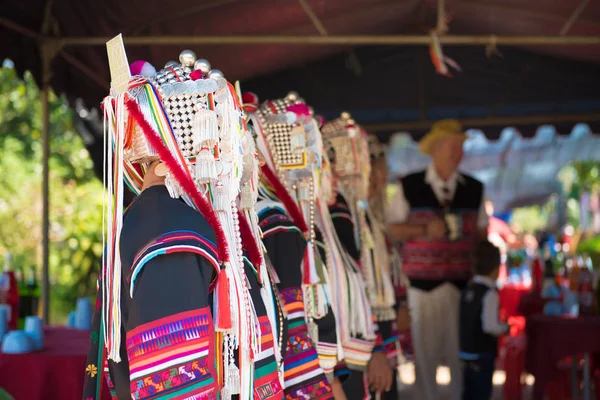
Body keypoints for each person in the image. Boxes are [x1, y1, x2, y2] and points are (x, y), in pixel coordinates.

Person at [82, 41, 280, 400]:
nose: (228, 163)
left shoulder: (156, 220)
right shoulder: (173, 232)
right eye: (217, 145)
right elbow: (175, 387)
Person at [387, 119, 488, 400]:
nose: (458, 152)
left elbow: (483, 237)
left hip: (461, 286)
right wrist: (423, 230)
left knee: (460, 354)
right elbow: (390, 228)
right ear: (436, 149)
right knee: (424, 353)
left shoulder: (475, 188)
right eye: (452, 146)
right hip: (421, 286)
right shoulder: (409, 185)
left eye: (460, 147)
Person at [243, 92, 334, 399]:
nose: (309, 168)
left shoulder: (269, 214)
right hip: (286, 373)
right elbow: (293, 320)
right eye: (295, 150)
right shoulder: (272, 217)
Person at [322, 114, 395, 399]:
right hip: (352, 341)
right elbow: (355, 284)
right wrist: (376, 346)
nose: (368, 174)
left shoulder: (353, 209)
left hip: (358, 336)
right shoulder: (338, 209)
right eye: (360, 162)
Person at [460, 241, 509, 400]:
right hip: (482, 355)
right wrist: (505, 327)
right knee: (481, 393)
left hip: (466, 352)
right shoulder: (489, 294)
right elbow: (490, 326)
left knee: (468, 393)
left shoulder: (468, 290)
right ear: (496, 269)